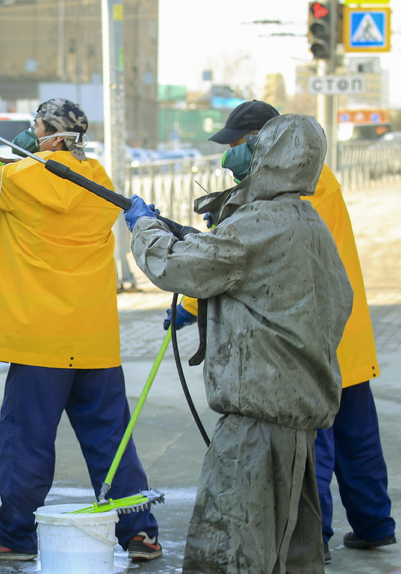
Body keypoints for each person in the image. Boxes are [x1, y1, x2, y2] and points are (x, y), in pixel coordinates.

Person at [0, 98, 162, 562]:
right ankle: (140, 534)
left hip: (41, 343)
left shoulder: (23, 181)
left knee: (26, 443)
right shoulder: (99, 181)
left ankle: (15, 538)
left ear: (55, 137)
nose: (29, 133)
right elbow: (14, 174)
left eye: (36, 127)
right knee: (111, 441)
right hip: (93, 340)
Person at [169, 100, 396, 563]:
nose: (232, 156)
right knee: (357, 438)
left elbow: (248, 257)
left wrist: (192, 304)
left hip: (301, 344)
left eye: (237, 145)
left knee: (313, 449)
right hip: (340, 336)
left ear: (261, 143)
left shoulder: (293, 193)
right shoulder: (316, 178)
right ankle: (375, 525)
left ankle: (317, 538)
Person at [126, 113, 353, 571]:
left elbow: (178, 267)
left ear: (267, 155)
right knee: (291, 557)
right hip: (296, 421)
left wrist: (144, 226)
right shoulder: (309, 224)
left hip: (256, 427)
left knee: (229, 554)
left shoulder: (259, 225)